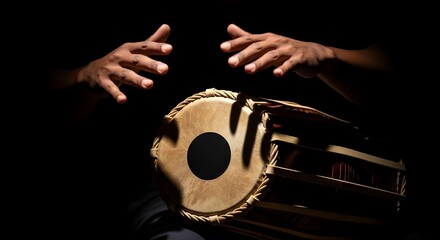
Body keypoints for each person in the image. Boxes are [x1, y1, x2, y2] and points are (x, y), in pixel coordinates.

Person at [33, 4, 431, 240]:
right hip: (166, 195)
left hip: (313, 171)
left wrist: (327, 55)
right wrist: (83, 77)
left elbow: (401, 79)